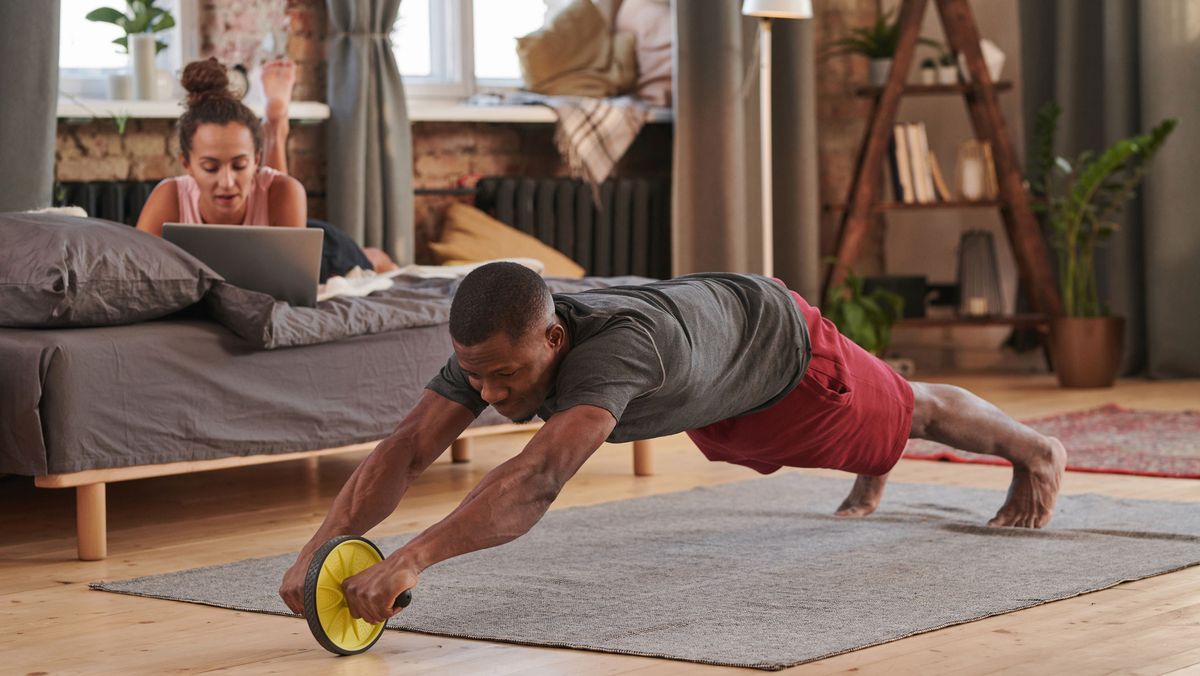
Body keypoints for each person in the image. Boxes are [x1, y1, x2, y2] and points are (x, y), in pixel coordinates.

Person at [278, 263, 1067, 624]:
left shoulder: (613, 353)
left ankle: (1035, 451)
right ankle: (868, 467)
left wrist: (410, 558)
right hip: (711, 385)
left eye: (505, 378)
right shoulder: (490, 352)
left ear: (554, 338)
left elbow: (539, 477)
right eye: (474, 377)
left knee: (908, 410)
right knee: (750, 449)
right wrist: (322, 548)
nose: (487, 397)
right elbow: (405, 449)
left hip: (780, 352)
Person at [136, 57, 395, 279]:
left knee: (370, 264)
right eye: (210, 167)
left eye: (239, 165)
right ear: (186, 164)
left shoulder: (286, 192)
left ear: (256, 160)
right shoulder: (170, 196)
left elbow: (291, 282)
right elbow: (134, 272)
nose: (226, 182)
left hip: (305, 245)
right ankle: (275, 128)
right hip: (270, 220)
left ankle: (276, 126)